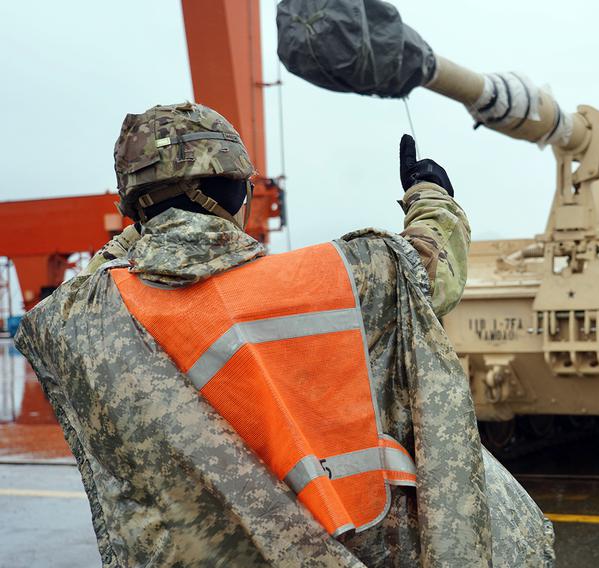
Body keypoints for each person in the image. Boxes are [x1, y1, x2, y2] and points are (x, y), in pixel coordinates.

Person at [15, 102, 554, 567]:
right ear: (231, 192)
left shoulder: (78, 321)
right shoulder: (339, 277)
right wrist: (430, 193)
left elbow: (106, 272)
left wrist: (148, 215)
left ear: (132, 208)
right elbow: (432, 262)